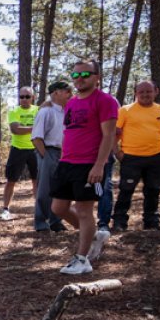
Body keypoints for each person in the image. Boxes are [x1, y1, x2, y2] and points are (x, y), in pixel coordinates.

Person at [50, 60, 118, 275]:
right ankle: (93, 236)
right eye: (76, 75)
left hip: (89, 163)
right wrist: (63, 157)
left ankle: (82, 259)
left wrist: (99, 165)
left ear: (97, 77)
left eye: (86, 74)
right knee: (58, 208)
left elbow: (109, 135)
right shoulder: (71, 103)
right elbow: (69, 132)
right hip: (67, 163)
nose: (80, 78)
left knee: (83, 210)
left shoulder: (105, 101)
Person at [112, 81, 160, 231]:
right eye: (141, 92)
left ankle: (151, 221)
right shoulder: (125, 110)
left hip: (156, 158)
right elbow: (115, 134)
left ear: (156, 92)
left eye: (148, 91)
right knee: (126, 190)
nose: (145, 94)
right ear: (136, 93)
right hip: (131, 158)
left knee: (153, 190)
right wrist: (117, 152)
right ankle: (119, 222)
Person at [31, 81, 71, 233]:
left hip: (65, 153)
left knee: (60, 189)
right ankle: (41, 222)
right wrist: (46, 156)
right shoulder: (45, 112)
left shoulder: (67, 111)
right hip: (49, 151)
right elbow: (36, 137)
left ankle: (56, 221)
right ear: (56, 93)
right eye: (66, 91)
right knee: (45, 189)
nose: (70, 94)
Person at [0, 86, 39, 220]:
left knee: (37, 180)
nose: (24, 99)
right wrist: (35, 127)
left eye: (27, 97)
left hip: (35, 148)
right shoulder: (14, 111)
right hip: (18, 149)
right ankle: (5, 209)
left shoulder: (38, 110)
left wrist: (26, 128)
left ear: (32, 97)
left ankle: (39, 208)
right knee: (11, 180)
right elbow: (16, 130)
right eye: (21, 97)